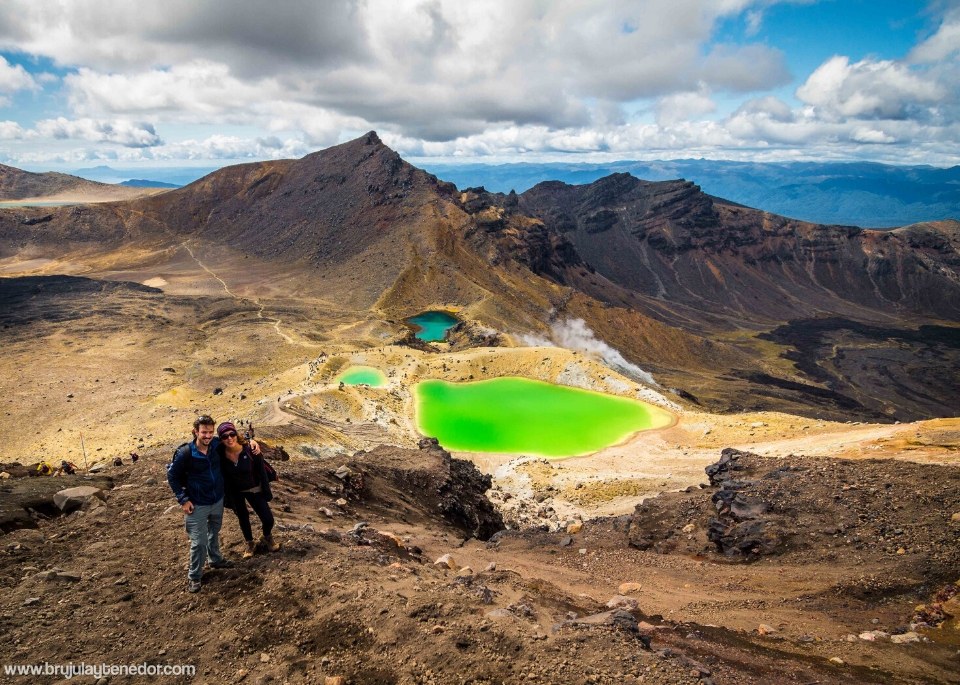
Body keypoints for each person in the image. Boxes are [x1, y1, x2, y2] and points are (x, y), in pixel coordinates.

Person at [167, 415, 260, 593]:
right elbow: (172, 476)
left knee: (213, 532)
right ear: (196, 431)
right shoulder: (185, 453)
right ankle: (194, 576)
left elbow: (235, 441)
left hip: (217, 500)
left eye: (210, 432)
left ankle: (215, 559)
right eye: (204, 432)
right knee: (199, 542)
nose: (208, 436)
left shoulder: (216, 445)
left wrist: (251, 441)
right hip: (196, 504)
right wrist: (183, 500)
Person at [216, 421, 279, 559]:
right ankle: (250, 543)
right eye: (224, 436)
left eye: (232, 434)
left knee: (268, 519)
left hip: (254, 489)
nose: (229, 438)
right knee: (243, 518)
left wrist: (267, 492)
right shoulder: (219, 453)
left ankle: (266, 536)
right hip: (235, 492)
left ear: (236, 434)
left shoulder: (251, 450)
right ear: (220, 439)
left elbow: (262, 471)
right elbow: (203, 441)